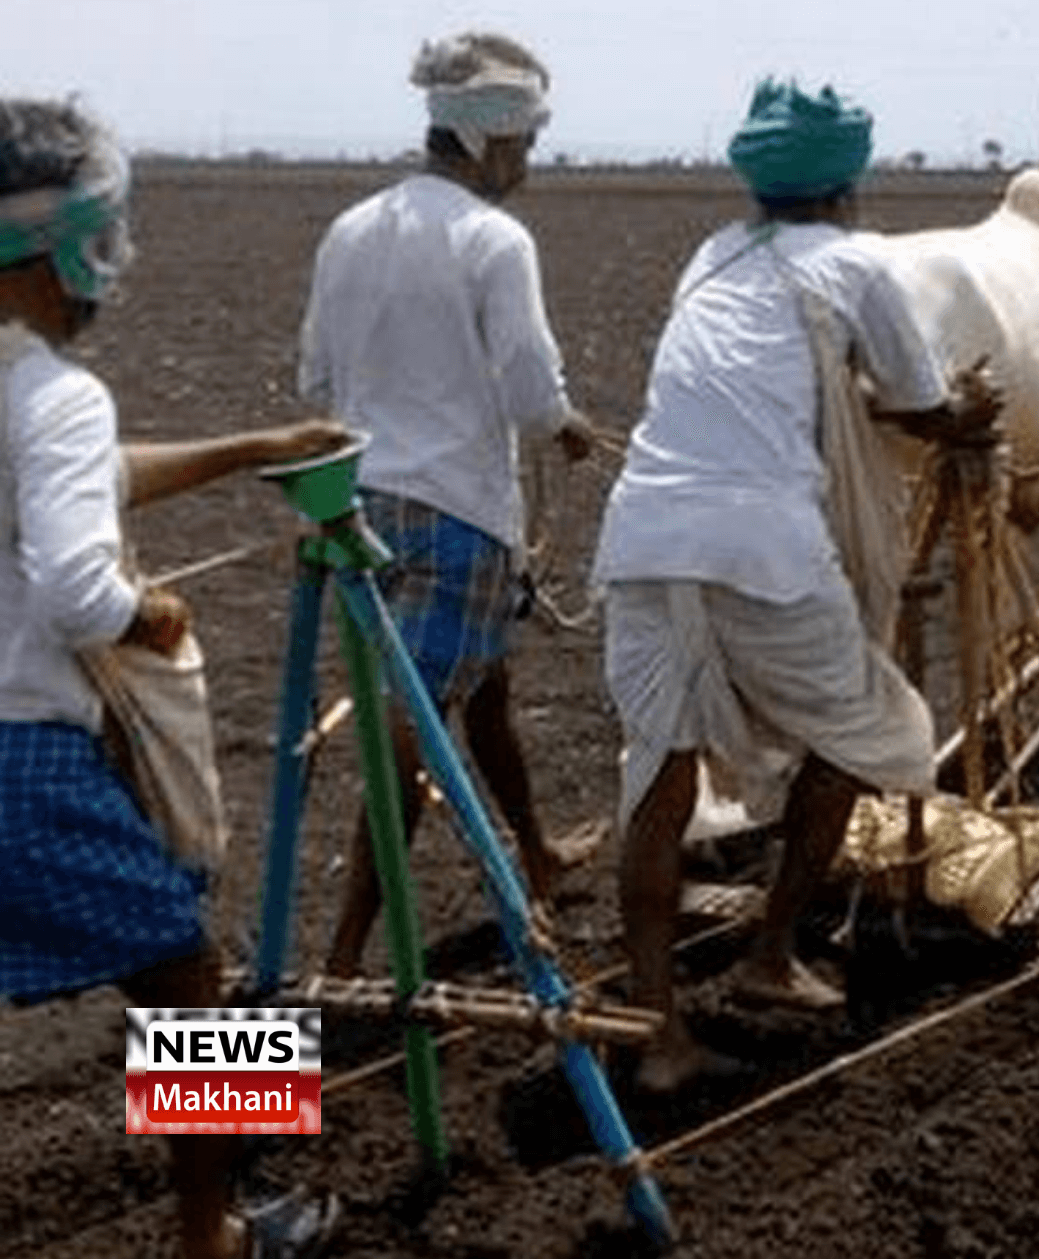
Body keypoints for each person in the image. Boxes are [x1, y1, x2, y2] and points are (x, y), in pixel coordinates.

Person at [593, 78, 1002, 1091]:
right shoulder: (854, 262)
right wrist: (963, 414)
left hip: (627, 533)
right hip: (755, 544)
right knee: (870, 729)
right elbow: (923, 408)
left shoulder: (712, 254)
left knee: (656, 773)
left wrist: (271, 455)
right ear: (847, 184)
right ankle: (771, 951)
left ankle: (653, 1033)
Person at [0, 97, 348, 1257]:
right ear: (57, 254)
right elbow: (74, 586)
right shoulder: (52, 391)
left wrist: (253, 449)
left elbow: (86, 475)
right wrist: (143, 611)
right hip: (23, 756)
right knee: (186, 970)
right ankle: (217, 1235)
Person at [299, 31, 598, 978]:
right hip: (458, 516)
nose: (529, 163)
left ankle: (538, 851)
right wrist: (566, 426)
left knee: (487, 684)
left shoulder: (350, 228)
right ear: (488, 140)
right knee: (412, 733)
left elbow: (314, 375)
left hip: (358, 510)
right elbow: (531, 393)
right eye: (525, 144)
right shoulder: (495, 240)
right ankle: (344, 959)